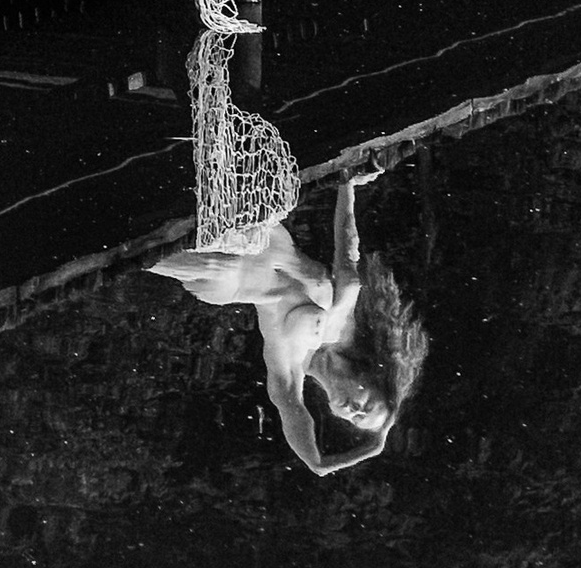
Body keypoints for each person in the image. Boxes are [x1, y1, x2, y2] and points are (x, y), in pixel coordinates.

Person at [149, 175, 428, 474]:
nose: (354, 410)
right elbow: (347, 255)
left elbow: (303, 436)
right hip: (256, 227)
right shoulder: (343, 325)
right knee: (180, 190)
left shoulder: (293, 369)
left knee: (144, 246)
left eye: (355, 419)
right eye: (367, 404)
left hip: (225, 272)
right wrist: (346, 183)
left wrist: (366, 450)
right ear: (371, 377)